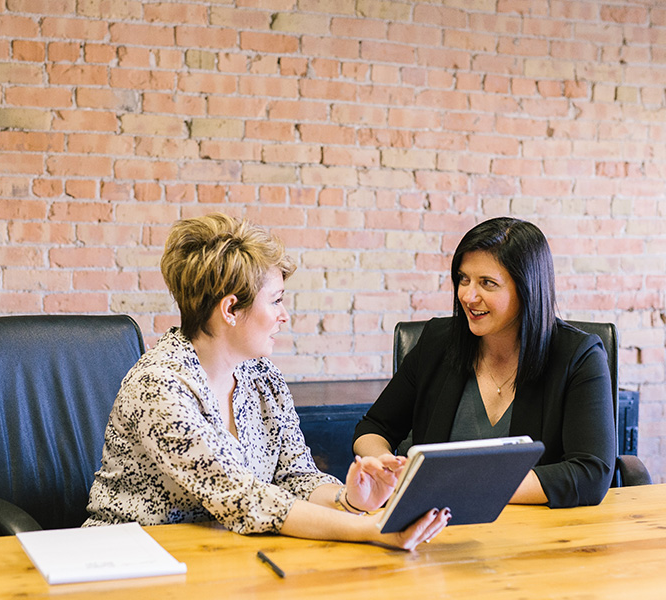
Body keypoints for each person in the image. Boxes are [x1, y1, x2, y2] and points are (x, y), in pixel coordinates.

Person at [85, 213, 450, 550]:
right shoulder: (159, 386)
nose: (284, 316)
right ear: (230, 309)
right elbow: (244, 498)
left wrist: (350, 500)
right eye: (275, 301)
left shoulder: (262, 375)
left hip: (223, 554)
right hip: (128, 558)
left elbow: (296, 476)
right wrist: (372, 529)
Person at [354, 217, 616, 508]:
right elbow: (374, 427)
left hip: (536, 532)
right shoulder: (437, 342)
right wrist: (382, 463)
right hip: (434, 528)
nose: (468, 295)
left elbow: (591, 473)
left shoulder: (579, 356)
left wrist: (463, 487)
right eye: (463, 279)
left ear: (527, 288)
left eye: (487, 283)